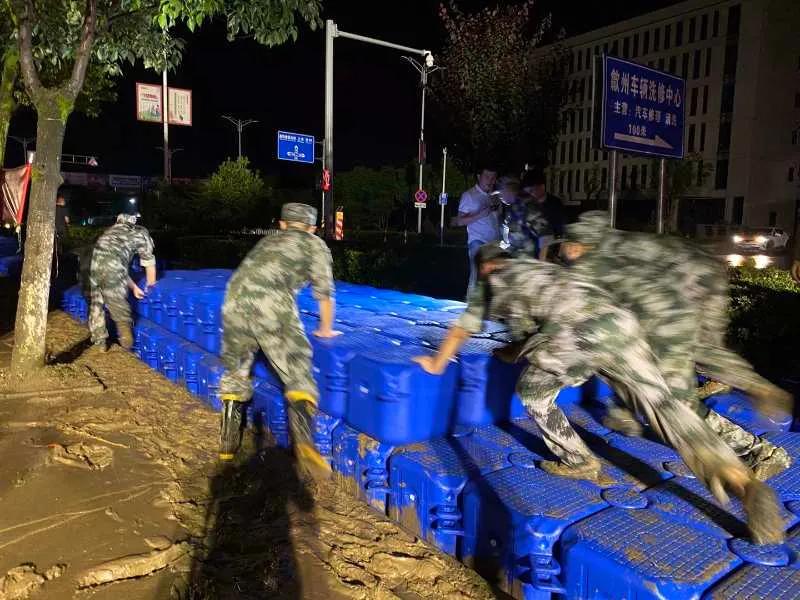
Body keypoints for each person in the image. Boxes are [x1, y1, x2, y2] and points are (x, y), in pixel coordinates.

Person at [413, 243, 783, 544]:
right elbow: (542, 324)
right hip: (621, 324)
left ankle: (579, 461)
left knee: (533, 391)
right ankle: (739, 479)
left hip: (580, 334)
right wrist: (515, 350)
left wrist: (437, 363)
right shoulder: (539, 268)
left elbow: (468, 330)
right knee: (664, 406)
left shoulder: (493, 279)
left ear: (485, 267)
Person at [561, 211, 793, 480]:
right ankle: (752, 385)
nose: (566, 252)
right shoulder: (618, 243)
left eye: (568, 246)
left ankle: (760, 452)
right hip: (694, 287)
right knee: (703, 352)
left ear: (577, 246)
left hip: (669, 319)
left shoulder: (591, 265)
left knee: (681, 403)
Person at [217, 203, 340, 477]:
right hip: (271, 304)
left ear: (282, 224)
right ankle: (304, 443)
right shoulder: (314, 244)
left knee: (237, 371)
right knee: (297, 369)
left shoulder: (269, 240)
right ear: (312, 228)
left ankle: (227, 446)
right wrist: (326, 329)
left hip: (233, 299)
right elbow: (324, 292)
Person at [88, 213, 156, 350]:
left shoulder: (110, 231)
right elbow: (149, 262)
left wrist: (134, 287)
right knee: (117, 299)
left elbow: (119, 269)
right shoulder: (140, 233)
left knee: (97, 301)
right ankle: (125, 333)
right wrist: (151, 284)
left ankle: (99, 341)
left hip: (95, 264)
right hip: (112, 265)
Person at [455, 164, 500, 290]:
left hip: (494, 243)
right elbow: (460, 221)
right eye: (487, 177)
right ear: (479, 177)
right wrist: (480, 215)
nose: (490, 180)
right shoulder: (469, 195)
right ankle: (471, 300)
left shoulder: (495, 196)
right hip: (477, 242)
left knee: (492, 280)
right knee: (477, 277)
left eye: (493, 177)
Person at [498, 176, 552, 259]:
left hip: (526, 261)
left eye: (501, 189)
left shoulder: (527, 205)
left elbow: (545, 234)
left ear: (509, 188)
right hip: (513, 260)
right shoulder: (511, 207)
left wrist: (542, 261)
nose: (500, 194)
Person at [520, 168, 565, 259]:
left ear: (542, 187)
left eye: (531, 191)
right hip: (530, 251)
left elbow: (561, 230)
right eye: (527, 193)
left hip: (549, 251)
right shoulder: (527, 204)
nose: (530, 195)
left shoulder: (554, 204)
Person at [53, 190, 70, 277]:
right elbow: (67, 220)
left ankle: (55, 261)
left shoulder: (53, 208)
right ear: (61, 201)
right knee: (62, 246)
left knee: (55, 245)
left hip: (54, 230)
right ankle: (61, 262)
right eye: (64, 201)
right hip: (62, 230)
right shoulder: (64, 209)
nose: (65, 202)